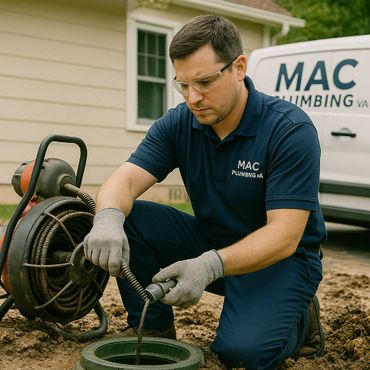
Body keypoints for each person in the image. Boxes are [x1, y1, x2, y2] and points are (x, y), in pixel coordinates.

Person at [84, 15, 326, 369]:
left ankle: (300, 318)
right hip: (212, 244)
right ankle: (152, 329)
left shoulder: (289, 130)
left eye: (205, 82)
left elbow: (285, 236)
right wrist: (106, 217)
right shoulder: (180, 123)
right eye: (182, 84)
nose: (193, 97)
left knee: (242, 354)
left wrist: (210, 265)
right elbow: (125, 181)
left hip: (281, 262)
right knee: (128, 215)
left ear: (239, 67)